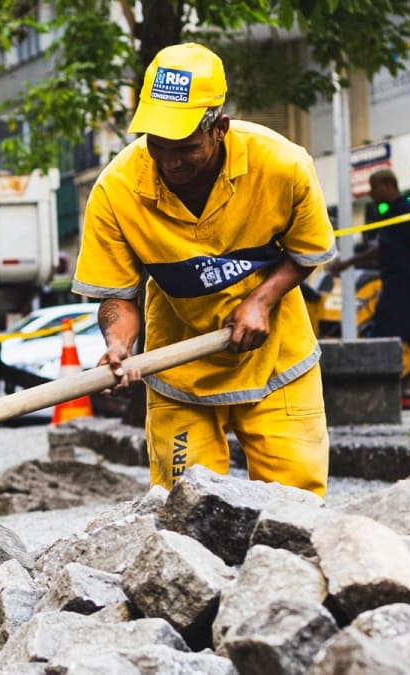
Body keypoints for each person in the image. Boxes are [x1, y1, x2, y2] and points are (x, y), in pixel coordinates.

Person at [72, 43, 337, 496]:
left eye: (185, 148)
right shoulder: (117, 189)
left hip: (278, 360)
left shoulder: (282, 165)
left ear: (220, 129)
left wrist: (262, 300)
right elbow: (119, 294)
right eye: (158, 145)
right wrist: (119, 344)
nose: (170, 161)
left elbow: (306, 250)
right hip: (179, 371)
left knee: (295, 508)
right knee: (183, 510)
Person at [328, 169, 410, 411]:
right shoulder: (390, 217)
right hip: (400, 290)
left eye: (374, 187)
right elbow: (380, 251)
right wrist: (347, 263)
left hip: (405, 291)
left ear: (388, 185)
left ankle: (371, 401)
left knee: (380, 341)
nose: (371, 193)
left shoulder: (405, 213)